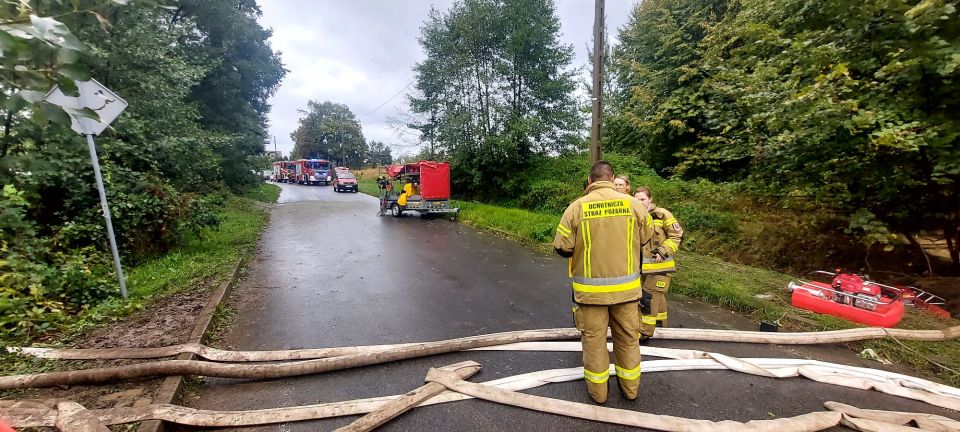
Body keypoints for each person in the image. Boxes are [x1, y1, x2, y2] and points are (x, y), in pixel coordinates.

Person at [554, 161, 653, 404]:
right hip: (627, 293)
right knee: (628, 340)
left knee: (594, 343)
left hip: (590, 295)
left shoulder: (576, 207)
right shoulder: (633, 205)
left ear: (590, 181)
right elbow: (647, 236)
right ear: (612, 178)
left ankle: (599, 395)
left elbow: (562, 247)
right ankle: (630, 390)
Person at [634, 186, 683, 342]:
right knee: (658, 296)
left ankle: (645, 332)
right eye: (636, 199)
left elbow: (677, 235)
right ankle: (661, 325)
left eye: (642, 199)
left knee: (648, 298)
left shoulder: (662, 214)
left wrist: (663, 251)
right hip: (643, 268)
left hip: (660, 266)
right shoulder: (635, 216)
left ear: (650, 199)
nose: (639, 202)